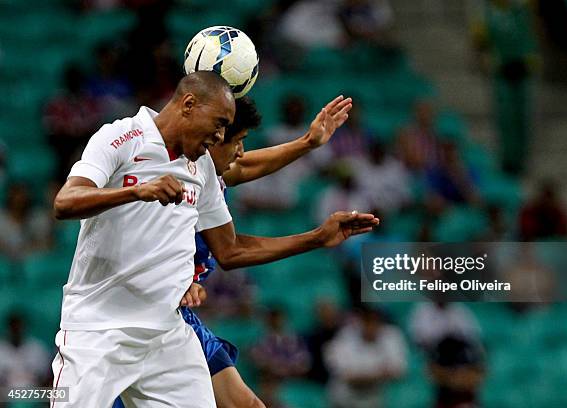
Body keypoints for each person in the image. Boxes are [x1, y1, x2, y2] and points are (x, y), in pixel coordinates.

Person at [52, 71, 377, 407]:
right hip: (100, 331)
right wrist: (137, 191)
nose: (221, 135)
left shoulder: (202, 166)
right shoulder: (122, 137)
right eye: (220, 123)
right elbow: (65, 202)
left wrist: (317, 238)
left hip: (165, 333)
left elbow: (231, 249)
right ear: (189, 104)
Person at [114, 94, 354, 408]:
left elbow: (243, 167)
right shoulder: (171, 185)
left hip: (177, 318)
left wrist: (308, 142)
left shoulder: (207, 175)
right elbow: (230, 252)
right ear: (211, 140)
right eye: (236, 141)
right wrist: (316, 238)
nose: (241, 152)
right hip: (139, 325)